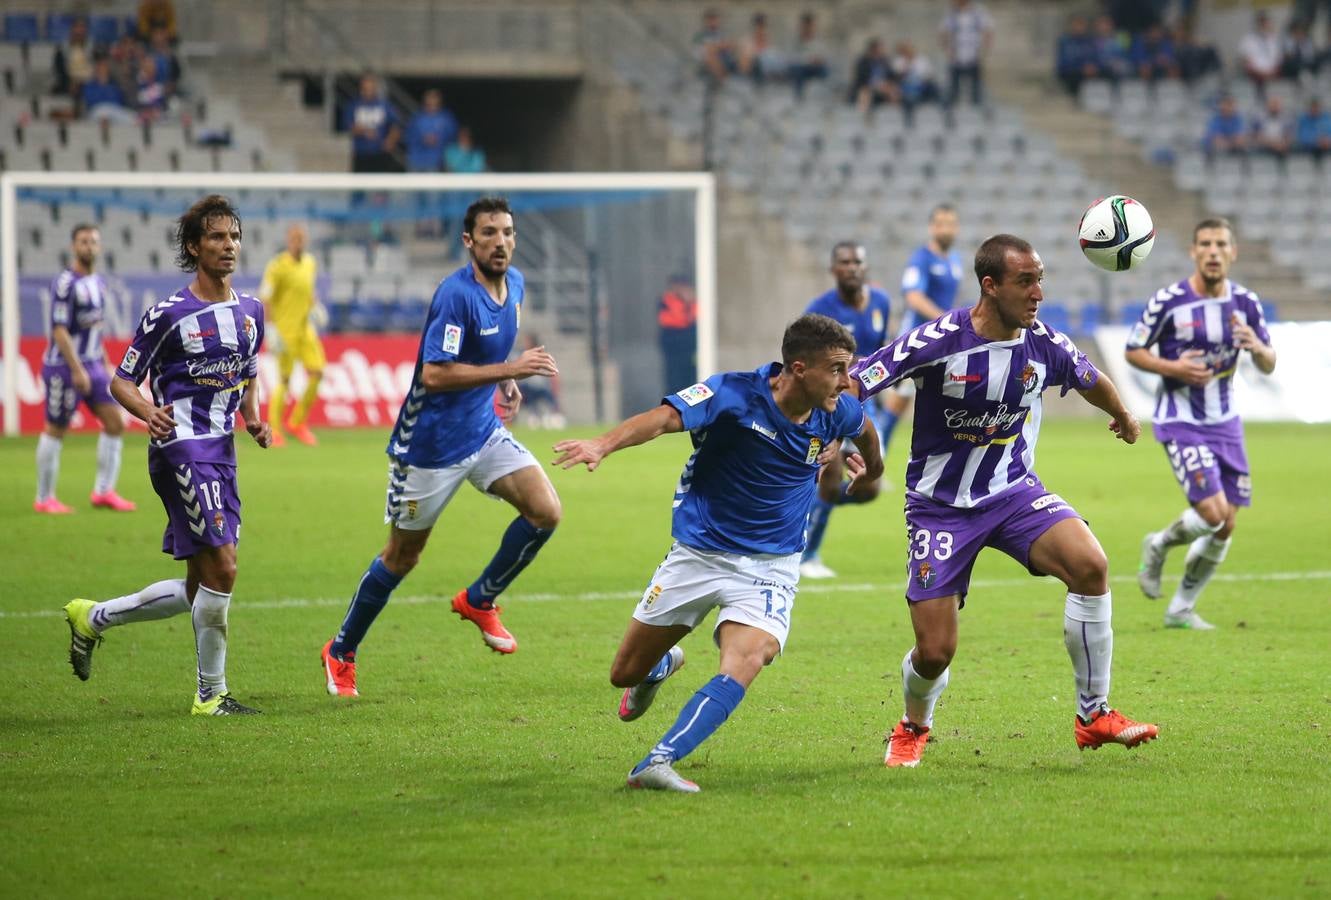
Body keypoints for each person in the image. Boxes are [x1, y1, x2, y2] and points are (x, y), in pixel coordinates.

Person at [851, 234, 1158, 769]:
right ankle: (913, 725)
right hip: (938, 506)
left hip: (1012, 493)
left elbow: (1091, 378)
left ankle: (1094, 716)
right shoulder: (936, 341)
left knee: (1091, 565)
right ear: (989, 286)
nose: (1038, 292)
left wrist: (1125, 415)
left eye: (1040, 279)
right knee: (935, 652)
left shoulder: (1043, 343)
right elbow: (857, 382)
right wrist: (836, 444)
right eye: (1026, 281)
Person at [552, 313, 883, 792]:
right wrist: (602, 445)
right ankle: (661, 666)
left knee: (750, 657)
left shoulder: (836, 409)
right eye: (836, 369)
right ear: (797, 368)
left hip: (771, 566)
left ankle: (656, 762)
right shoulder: (733, 394)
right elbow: (664, 419)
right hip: (700, 553)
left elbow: (866, 429)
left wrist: (871, 471)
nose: (846, 380)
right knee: (624, 672)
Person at [319, 197, 562, 697]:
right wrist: (511, 371)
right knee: (401, 558)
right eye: (489, 233)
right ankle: (341, 650)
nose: (501, 242)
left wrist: (504, 381)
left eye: (508, 232)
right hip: (428, 447)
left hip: (482, 430)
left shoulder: (515, 285)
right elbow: (435, 373)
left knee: (545, 511)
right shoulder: (455, 295)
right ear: (468, 241)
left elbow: (493, 348)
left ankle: (480, 599)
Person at [62, 194, 272, 716]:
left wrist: (253, 418)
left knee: (201, 584)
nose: (229, 246)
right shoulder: (168, 315)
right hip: (180, 448)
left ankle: (95, 617)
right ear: (194, 246)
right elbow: (121, 381)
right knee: (224, 568)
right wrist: (148, 412)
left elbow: (247, 375)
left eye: (234, 236)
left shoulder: (251, 313)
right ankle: (210, 695)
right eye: (218, 237)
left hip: (221, 451)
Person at [1129, 218, 1276, 630]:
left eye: (1221, 244)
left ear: (1233, 252)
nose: (1213, 251)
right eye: (1206, 244)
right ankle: (1157, 546)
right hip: (1181, 419)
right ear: (1193, 252)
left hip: (1226, 422)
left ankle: (1180, 609)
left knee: (1226, 523)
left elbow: (1269, 363)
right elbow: (1133, 350)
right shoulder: (1169, 301)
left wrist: (1257, 346)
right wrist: (1171, 366)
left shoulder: (1246, 303)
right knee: (1212, 513)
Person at [798, 242, 892, 580]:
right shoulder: (819, 311)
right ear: (833, 269)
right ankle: (807, 555)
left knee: (869, 489)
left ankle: (806, 506)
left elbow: (882, 352)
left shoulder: (881, 301)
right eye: (844, 262)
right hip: (830, 405)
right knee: (831, 476)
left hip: (866, 404)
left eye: (857, 262)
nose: (851, 267)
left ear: (865, 267)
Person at [35, 225, 136, 515]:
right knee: (56, 428)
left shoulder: (99, 283)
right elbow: (59, 330)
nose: (89, 247)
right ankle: (44, 498)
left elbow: (95, 328)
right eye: (83, 242)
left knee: (115, 422)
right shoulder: (66, 283)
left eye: (93, 242)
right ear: (73, 246)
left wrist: (103, 364)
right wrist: (76, 369)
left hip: (94, 364)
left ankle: (104, 492)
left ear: (99, 247)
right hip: (64, 367)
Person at [879, 204, 965, 471]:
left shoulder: (955, 261)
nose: (946, 229)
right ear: (932, 227)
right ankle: (871, 462)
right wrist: (944, 319)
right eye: (940, 224)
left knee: (945, 403)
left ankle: (948, 466)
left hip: (942, 344)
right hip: (915, 342)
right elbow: (913, 296)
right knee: (896, 405)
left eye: (950, 224)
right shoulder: (921, 259)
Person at [259, 224, 325, 447]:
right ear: (288, 240)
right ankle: (274, 430)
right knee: (284, 381)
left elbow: (308, 291)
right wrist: (270, 329)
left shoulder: (310, 263)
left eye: (301, 238)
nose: (299, 242)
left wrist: (315, 306)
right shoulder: (277, 266)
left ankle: (297, 422)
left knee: (317, 372)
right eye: (295, 238)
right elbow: (266, 298)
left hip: (305, 328)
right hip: (284, 330)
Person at [939, 0, 994, 108]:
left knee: (975, 87)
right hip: (957, 56)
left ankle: (976, 109)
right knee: (954, 88)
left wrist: (985, 50)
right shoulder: (951, 13)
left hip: (973, 55)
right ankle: (953, 111)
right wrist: (947, 50)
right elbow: (943, 31)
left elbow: (988, 30)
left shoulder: (978, 12)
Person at [344, 74, 400, 173]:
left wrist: (390, 140)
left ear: (375, 89)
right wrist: (365, 131)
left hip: (380, 153)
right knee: (359, 185)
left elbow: (395, 126)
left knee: (381, 185)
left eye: (371, 88)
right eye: (365, 88)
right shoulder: (354, 106)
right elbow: (349, 127)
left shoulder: (385, 105)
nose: (368, 91)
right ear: (361, 89)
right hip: (361, 153)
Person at [657, 274, 697, 395]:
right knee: (674, 380)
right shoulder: (666, 301)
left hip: (689, 348)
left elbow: (697, 316)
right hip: (674, 349)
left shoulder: (693, 302)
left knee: (690, 379)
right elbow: (672, 320)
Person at [404, 88, 458, 173]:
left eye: (434, 97)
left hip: (435, 161)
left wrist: (439, 139)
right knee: (413, 186)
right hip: (415, 160)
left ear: (439, 100)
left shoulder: (447, 117)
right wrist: (422, 139)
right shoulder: (417, 117)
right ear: (425, 99)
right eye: (429, 97)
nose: (432, 100)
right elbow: (407, 136)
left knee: (432, 186)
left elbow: (453, 136)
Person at [849, 37, 900, 113]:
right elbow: (861, 78)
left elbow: (892, 76)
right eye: (880, 48)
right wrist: (875, 84)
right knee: (864, 93)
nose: (882, 50)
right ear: (873, 49)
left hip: (883, 87)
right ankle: (863, 116)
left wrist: (886, 83)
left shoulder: (885, 61)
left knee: (894, 91)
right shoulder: (863, 61)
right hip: (867, 86)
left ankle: (894, 115)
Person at [787, 11, 830, 98]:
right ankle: (799, 97)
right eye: (805, 26)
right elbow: (790, 59)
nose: (807, 29)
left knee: (826, 70)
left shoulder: (818, 41)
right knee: (797, 70)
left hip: (815, 68)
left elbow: (823, 57)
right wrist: (807, 60)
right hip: (800, 68)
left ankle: (824, 97)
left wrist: (817, 60)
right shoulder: (795, 41)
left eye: (809, 26)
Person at [1239, 12, 1282, 93]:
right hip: (1255, 76)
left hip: (1273, 74)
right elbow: (1246, 61)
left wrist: (1272, 72)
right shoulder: (1248, 39)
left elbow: (1278, 59)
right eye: (1262, 23)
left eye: (1266, 23)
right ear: (1257, 24)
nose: (1265, 26)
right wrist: (1260, 73)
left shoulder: (1274, 39)